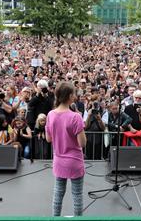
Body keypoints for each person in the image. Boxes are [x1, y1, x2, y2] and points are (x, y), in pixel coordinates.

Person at [45, 82, 87, 216]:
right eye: (74, 93)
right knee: (77, 196)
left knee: (58, 194)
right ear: (70, 96)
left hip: (59, 160)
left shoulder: (50, 115)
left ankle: (55, 218)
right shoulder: (76, 117)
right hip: (74, 161)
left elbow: (48, 139)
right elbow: (82, 143)